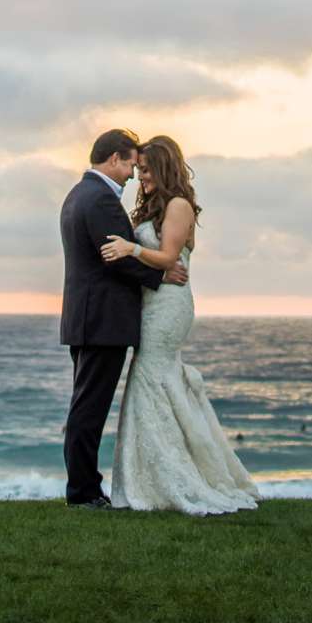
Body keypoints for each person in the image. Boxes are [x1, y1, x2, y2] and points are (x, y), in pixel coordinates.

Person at [100, 133, 258, 515]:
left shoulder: (179, 206)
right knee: (151, 382)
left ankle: (174, 477)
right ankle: (151, 477)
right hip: (151, 303)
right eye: (139, 170)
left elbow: (170, 256)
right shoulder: (155, 207)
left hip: (168, 306)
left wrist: (131, 248)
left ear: (164, 167)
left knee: (151, 378)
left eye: (147, 170)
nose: (142, 178)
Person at [58, 127, 188, 508]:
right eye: (131, 164)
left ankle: (86, 487)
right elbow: (115, 260)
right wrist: (160, 275)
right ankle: (82, 493)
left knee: (85, 405)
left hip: (87, 319)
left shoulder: (78, 194)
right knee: (89, 409)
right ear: (114, 158)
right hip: (103, 321)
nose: (134, 174)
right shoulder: (100, 199)